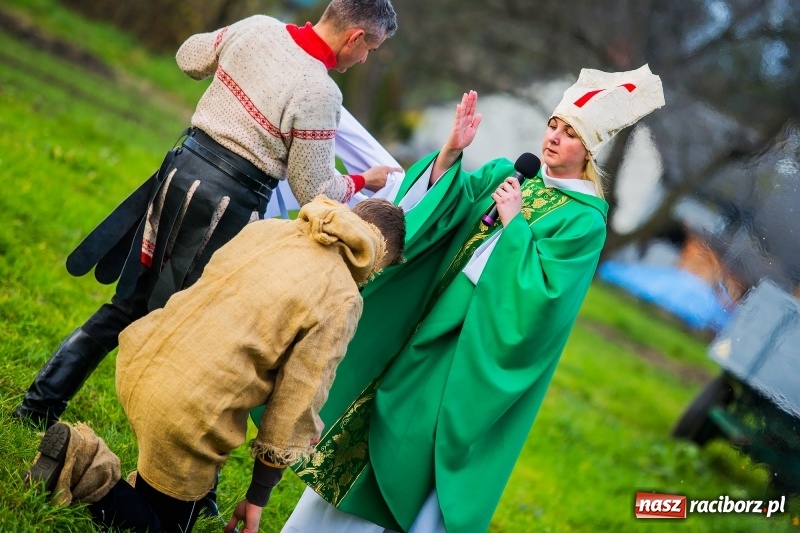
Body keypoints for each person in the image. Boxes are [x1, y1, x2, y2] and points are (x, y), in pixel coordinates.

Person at [277, 65, 665, 532]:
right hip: (422, 318)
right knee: (369, 416)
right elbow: (445, 209)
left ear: (590, 150)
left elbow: (545, 300)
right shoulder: (512, 175)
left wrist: (515, 224)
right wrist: (451, 151)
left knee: (411, 438)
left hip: (465, 345)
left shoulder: (584, 223)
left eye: (570, 134)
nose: (554, 138)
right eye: (553, 126)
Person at [14, 0, 400, 429]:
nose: (364, 59)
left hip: (178, 177)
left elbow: (188, 57)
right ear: (354, 37)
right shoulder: (321, 93)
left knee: (128, 306)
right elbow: (315, 189)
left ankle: (37, 406)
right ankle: (174, 451)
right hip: (227, 209)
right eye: (370, 49)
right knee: (198, 330)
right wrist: (363, 180)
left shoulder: (258, 28)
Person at [23, 196, 407, 533]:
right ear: (379, 257)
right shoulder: (342, 296)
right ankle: (83, 461)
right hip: (188, 410)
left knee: (162, 501)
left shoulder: (273, 229)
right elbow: (296, 403)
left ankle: (137, 484)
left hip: (144, 356)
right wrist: (258, 495)